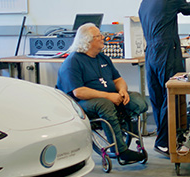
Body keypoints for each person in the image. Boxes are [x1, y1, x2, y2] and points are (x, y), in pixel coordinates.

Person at [57, 23, 148, 164]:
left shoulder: (103, 57)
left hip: (111, 97)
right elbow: (79, 92)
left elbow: (118, 79)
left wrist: (122, 91)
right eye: (98, 36)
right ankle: (120, 150)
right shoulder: (73, 62)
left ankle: (127, 128)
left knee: (137, 100)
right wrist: (108, 96)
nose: (103, 38)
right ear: (87, 41)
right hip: (83, 103)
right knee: (105, 105)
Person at [138, 0, 190, 157]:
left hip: (150, 53)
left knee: (158, 98)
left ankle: (164, 139)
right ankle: (164, 142)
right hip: (167, 52)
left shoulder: (144, 1)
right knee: (172, 94)